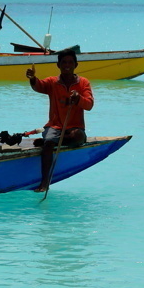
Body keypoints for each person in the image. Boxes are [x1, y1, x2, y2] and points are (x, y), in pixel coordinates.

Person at [26, 48, 94, 192]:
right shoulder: (52, 82)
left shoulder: (83, 83)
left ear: (76, 65)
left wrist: (78, 99)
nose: (67, 65)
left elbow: (89, 105)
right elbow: (39, 86)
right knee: (50, 142)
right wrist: (32, 78)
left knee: (77, 136)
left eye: (70, 62)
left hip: (75, 128)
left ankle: (54, 141)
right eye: (63, 62)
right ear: (58, 65)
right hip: (55, 126)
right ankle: (44, 183)